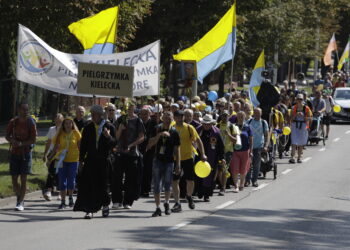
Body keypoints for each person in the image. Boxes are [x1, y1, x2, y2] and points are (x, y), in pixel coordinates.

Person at [74, 105, 116, 219]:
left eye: (94, 114)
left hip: (104, 160)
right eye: (91, 114)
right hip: (91, 160)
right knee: (89, 185)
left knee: (103, 185)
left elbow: (114, 144)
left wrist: (108, 137)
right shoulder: (88, 127)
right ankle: (89, 209)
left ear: (100, 115)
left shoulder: (109, 126)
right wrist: (81, 160)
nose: (92, 116)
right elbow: (83, 146)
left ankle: (106, 205)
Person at [172, 110, 207, 212]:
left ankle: (189, 196)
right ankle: (177, 203)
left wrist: (203, 153)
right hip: (175, 159)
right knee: (175, 181)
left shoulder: (189, 127)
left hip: (188, 157)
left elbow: (198, 141)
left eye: (181, 116)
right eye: (177, 116)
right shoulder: (172, 127)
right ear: (174, 117)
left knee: (190, 180)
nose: (180, 118)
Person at [147, 111, 181, 217]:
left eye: (169, 117)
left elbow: (177, 149)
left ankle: (166, 203)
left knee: (167, 183)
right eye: (166, 116)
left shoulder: (174, 132)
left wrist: (178, 164)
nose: (167, 118)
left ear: (172, 119)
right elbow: (150, 144)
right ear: (162, 118)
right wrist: (159, 135)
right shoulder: (157, 128)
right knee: (157, 185)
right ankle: (157, 207)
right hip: (158, 160)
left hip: (169, 161)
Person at [112, 102, 145, 209]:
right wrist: (120, 129)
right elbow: (116, 137)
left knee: (130, 179)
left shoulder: (137, 120)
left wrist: (131, 145)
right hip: (120, 152)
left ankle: (127, 201)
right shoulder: (120, 119)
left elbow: (142, 137)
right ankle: (116, 200)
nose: (130, 110)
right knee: (117, 177)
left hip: (132, 153)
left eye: (131, 108)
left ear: (134, 109)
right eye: (128, 109)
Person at [5, 102, 37, 211]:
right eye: (24, 109)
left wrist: (21, 144)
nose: (26, 111)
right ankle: (20, 196)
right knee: (14, 179)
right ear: (19, 110)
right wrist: (12, 140)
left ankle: (20, 202)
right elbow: (7, 136)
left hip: (26, 153)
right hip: (14, 153)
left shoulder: (30, 122)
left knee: (23, 178)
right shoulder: (13, 122)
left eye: (27, 109)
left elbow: (33, 140)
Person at [52, 118, 81, 209]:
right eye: (66, 123)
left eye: (70, 123)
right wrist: (50, 157)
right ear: (63, 125)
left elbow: (80, 147)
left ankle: (71, 198)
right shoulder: (60, 134)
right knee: (62, 182)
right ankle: (63, 201)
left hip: (73, 160)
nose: (68, 125)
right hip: (61, 161)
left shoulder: (76, 134)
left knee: (71, 181)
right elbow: (55, 148)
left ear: (72, 124)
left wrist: (82, 159)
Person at [197, 114, 225, 202]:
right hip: (199, 157)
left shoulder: (216, 132)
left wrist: (222, 158)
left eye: (208, 124)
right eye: (205, 123)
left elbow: (221, 146)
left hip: (212, 158)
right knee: (199, 175)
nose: (206, 125)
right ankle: (200, 191)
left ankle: (207, 195)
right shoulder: (198, 130)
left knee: (210, 176)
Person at [42, 113, 64, 201]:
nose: (58, 122)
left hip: (60, 154)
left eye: (60, 120)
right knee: (51, 172)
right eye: (57, 120)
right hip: (51, 153)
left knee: (59, 172)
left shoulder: (64, 130)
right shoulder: (51, 129)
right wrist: (45, 154)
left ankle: (59, 192)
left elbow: (60, 144)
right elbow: (48, 142)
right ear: (54, 120)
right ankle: (49, 191)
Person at [245, 108, 269, 187]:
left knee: (256, 164)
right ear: (253, 113)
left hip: (259, 146)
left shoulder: (263, 122)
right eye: (256, 113)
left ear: (261, 113)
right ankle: (247, 180)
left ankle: (254, 180)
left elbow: (266, 135)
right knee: (248, 164)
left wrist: (265, 145)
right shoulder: (249, 121)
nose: (257, 115)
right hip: (249, 146)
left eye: (259, 113)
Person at [217, 111, 239, 195]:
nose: (225, 117)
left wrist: (228, 134)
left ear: (229, 116)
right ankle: (220, 184)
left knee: (224, 169)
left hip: (228, 151)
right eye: (223, 115)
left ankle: (223, 187)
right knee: (218, 170)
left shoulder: (232, 126)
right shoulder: (217, 125)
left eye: (226, 116)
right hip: (219, 151)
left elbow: (235, 140)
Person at [230, 111, 253, 192]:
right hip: (235, 151)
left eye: (242, 116)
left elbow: (250, 139)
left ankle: (242, 183)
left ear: (244, 117)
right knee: (235, 168)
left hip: (245, 150)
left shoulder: (248, 127)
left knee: (243, 169)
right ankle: (236, 186)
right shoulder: (233, 126)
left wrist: (251, 150)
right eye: (239, 116)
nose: (240, 118)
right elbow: (231, 139)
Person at [139, 106, 157, 197]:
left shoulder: (154, 122)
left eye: (146, 114)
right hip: (139, 148)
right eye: (142, 114)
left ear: (149, 114)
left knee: (148, 170)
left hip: (150, 150)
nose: (144, 115)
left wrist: (150, 145)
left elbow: (155, 136)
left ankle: (146, 189)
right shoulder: (138, 122)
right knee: (139, 169)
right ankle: (140, 189)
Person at [289, 94, 312, 163]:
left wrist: (304, 117)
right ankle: (292, 157)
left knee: (301, 143)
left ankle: (299, 157)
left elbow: (310, 118)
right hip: (295, 125)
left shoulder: (307, 108)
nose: (299, 101)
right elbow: (291, 118)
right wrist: (296, 115)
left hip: (303, 126)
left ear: (303, 100)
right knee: (294, 141)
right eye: (298, 99)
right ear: (296, 100)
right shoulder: (293, 108)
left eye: (301, 99)